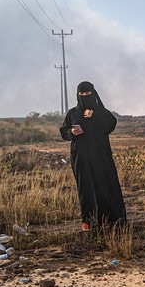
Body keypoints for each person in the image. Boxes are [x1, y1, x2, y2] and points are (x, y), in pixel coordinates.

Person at [59, 81, 126, 231]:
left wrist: (94, 115)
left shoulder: (101, 112)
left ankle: (109, 219)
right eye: (81, 95)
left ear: (93, 94)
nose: (84, 97)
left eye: (87, 94)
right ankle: (88, 220)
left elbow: (110, 124)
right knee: (85, 188)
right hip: (80, 156)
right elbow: (64, 132)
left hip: (99, 155)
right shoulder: (72, 113)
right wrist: (71, 132)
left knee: (104, 184)